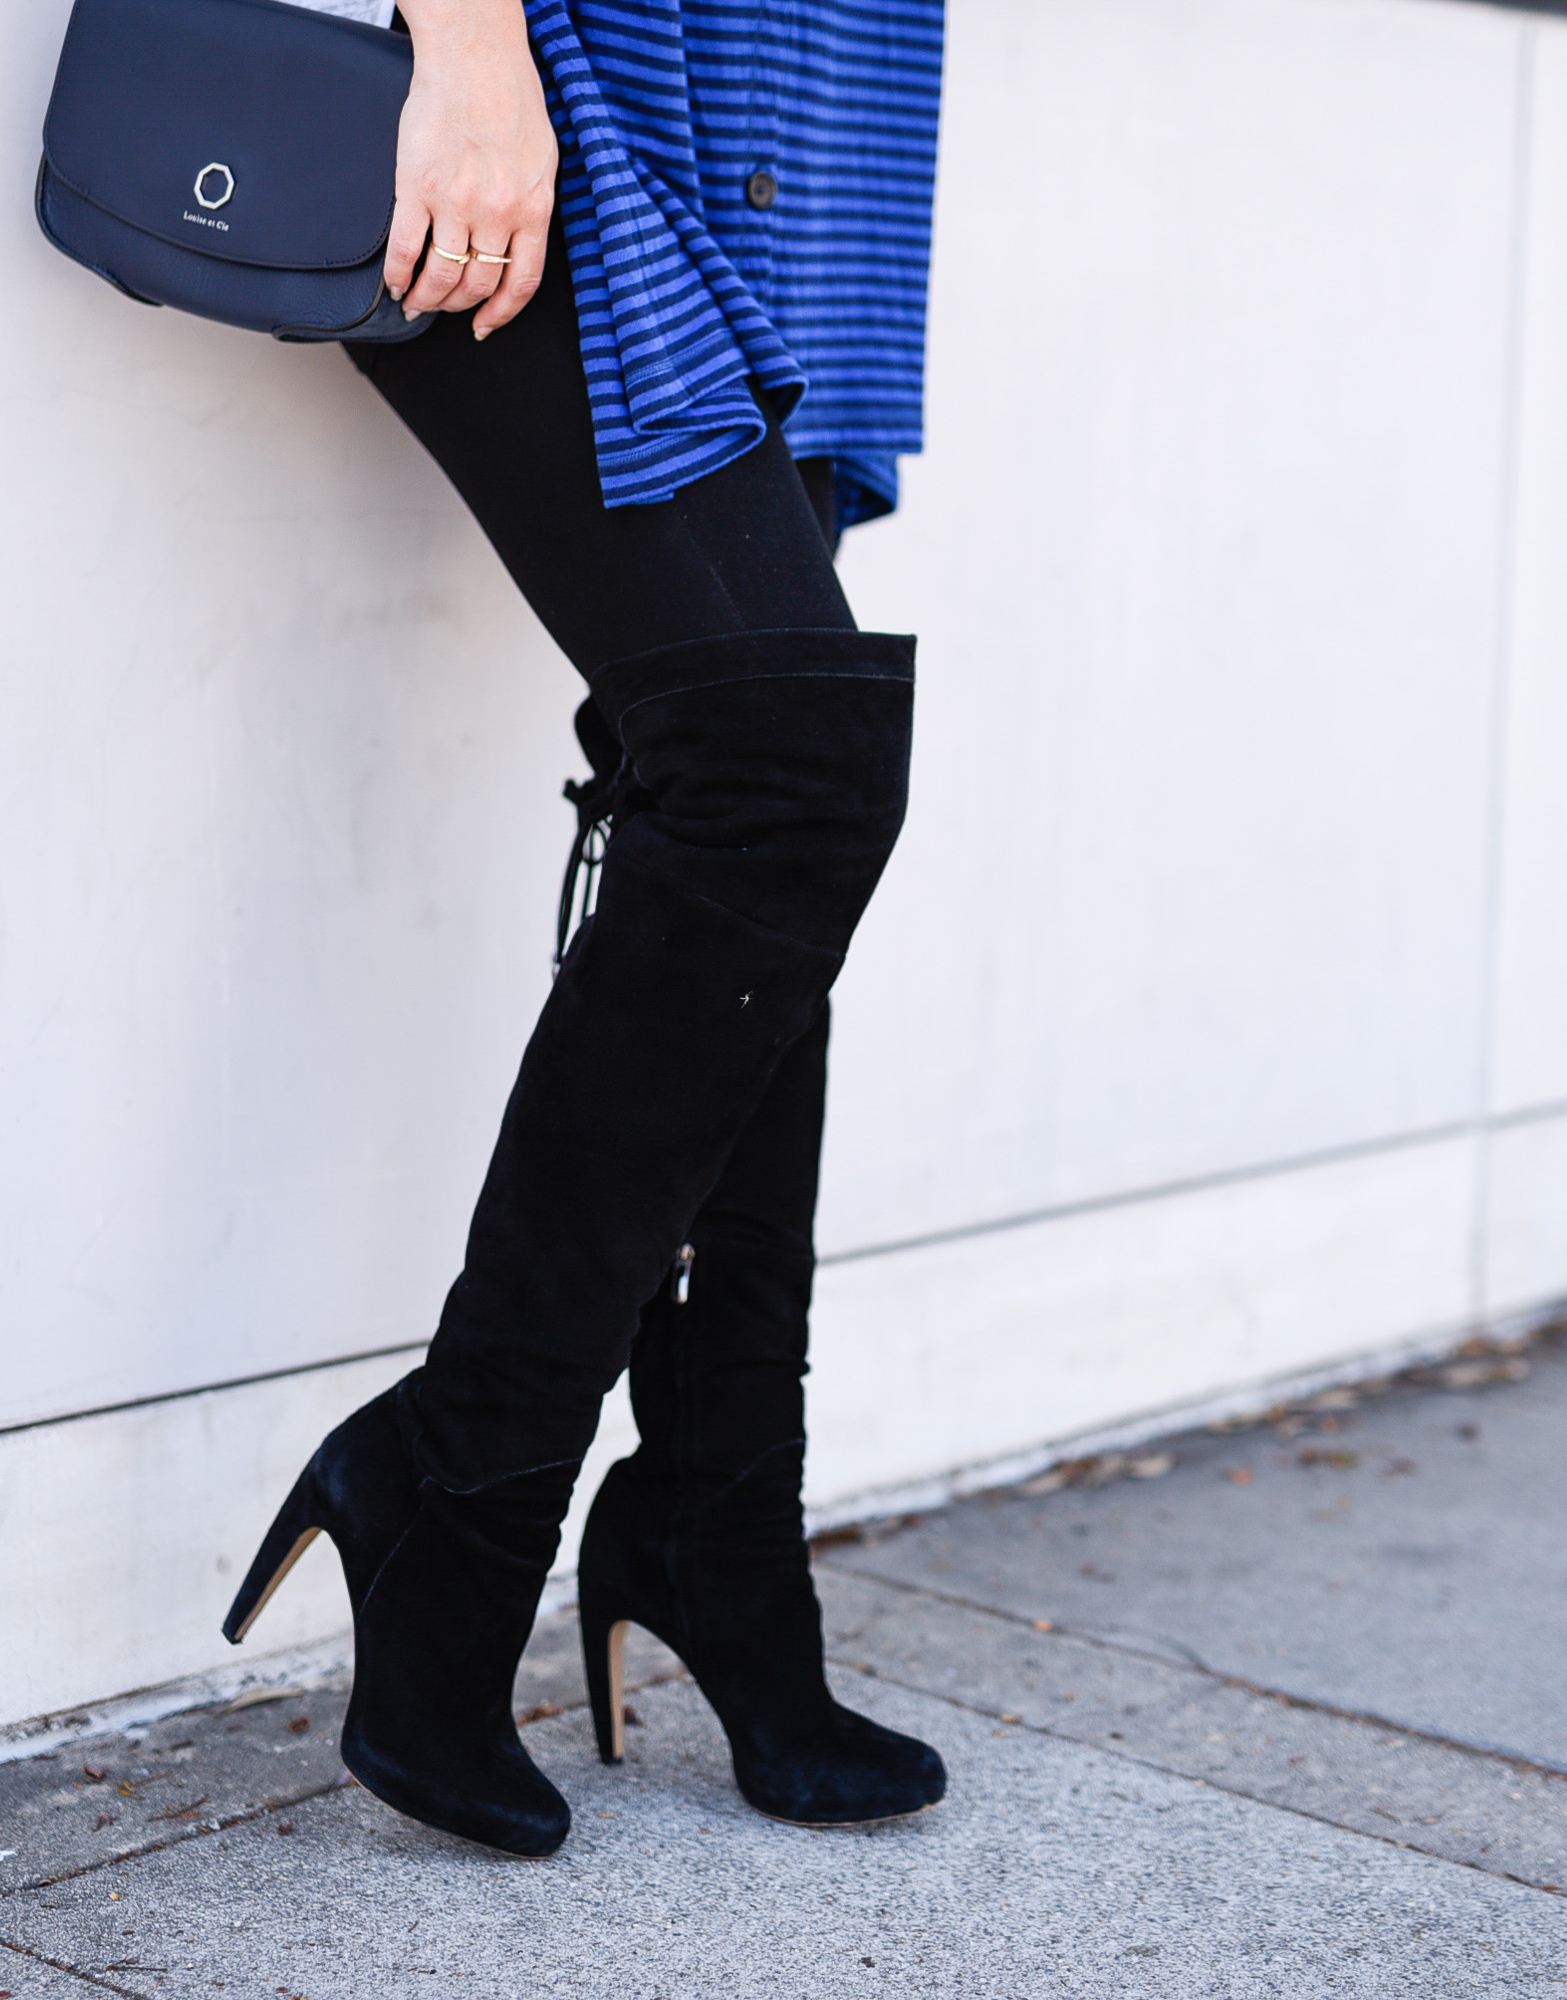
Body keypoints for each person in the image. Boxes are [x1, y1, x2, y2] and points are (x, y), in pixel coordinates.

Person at [220, 0, 949, 1856]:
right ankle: (459, 1482)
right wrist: (466, 45)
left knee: (756, 826)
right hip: (586, 84)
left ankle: (722, 1540)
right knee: (783, 783)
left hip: (806, 118)